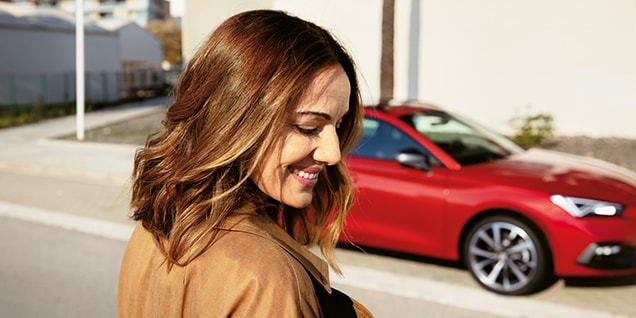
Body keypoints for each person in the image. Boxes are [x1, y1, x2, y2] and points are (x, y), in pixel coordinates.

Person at [117, 9, 373, 318]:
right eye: (308, 127)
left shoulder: (156, 226)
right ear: (236, 121)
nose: (333, 154)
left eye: (339, 123)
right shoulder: (268, 278)